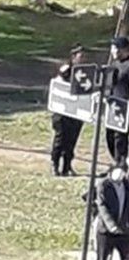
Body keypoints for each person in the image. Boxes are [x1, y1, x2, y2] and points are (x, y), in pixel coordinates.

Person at [93, 165, 129, 260]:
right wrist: (111, 226)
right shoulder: (103, 184)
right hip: (106, 232)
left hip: (123, 231)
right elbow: (102, 206)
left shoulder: (126, 185)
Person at [52, 45, 86, 176]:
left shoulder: (85, 72)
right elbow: (59, 84)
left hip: (76, 111)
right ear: (73, 57)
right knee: (60, 139)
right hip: (62, 111)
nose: (82, 59)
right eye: (80, 56)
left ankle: (67, 166)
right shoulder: (67, 69)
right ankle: (55, 164)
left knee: (72, 140)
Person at [107, 38, 129, 166]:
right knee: (112, 136)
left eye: (115, 48)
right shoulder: (114, 65)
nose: (113, 51)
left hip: (126, 107)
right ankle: (118, 161)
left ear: (125, 49)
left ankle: (121, 164)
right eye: (112, 48)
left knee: (121, 137)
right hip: (114, 106)